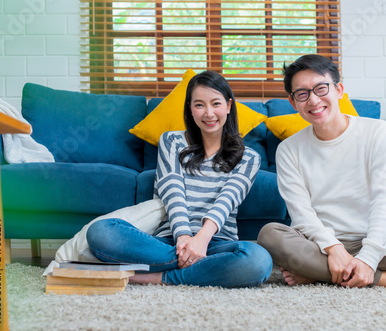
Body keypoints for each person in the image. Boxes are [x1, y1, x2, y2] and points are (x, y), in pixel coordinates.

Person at [257, 54, 386, 288]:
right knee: (269, 235)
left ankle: (318, 273)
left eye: (321, 88)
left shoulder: (377, 131)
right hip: (320, 246)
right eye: (302, 94)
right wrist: (333, 248)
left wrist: (369, 257)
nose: (314, 100)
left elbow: (384, 201)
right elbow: (301, 214)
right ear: (294, 103)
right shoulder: (288, 150)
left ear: (339, 90)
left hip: (378, 241)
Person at [86, 70, 273, 288]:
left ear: (229, 106)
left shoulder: (249, 157)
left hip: (217, 244)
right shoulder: (172, 141)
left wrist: (201, 240)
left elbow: (227, 199)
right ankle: (198, 268)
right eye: (199, 105)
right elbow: (172, 191)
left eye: (216, 103)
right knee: (101, 232)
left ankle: (159, 276)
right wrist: (184, 237)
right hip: (169, 242)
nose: (209, 113)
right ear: (190, 110)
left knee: (258, 260)